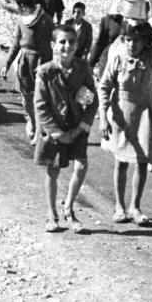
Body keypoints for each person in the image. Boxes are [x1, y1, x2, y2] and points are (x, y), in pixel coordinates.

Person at [98, 2, 152, 226]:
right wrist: (103, 116)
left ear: (145, 41)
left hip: (146, 112)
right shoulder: (117, 54)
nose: (131, 44)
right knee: (121, 161)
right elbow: (104, 86)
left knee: (140, 161)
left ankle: (136, 206)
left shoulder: (151, 55)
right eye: (128, 39)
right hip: (122, 111)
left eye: (136, 40)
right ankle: (119, 206)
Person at [34, 25, 97, 233]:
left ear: (77, 44)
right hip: (55, 130)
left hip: (77, 126)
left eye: (71, 41)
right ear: (53, 45)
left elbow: (93, 100)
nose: (67, 46)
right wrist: (57, 133)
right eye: (62, 42)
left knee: (81, 166)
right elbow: (41, 106)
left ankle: (69, 209)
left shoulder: (83, 67)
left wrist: (82, 127)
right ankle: (51, 214)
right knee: (53, 170)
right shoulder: (45, 72)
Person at [3, 0, 55, 140]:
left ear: (23, 6)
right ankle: (31, 121)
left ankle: (40, 129)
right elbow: (16, 43)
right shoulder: (21, 20)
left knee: (40, 98)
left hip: (41, 63)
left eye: (18, 5)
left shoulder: (46, 20)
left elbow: (54, 44)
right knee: (26, 96)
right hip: (25, 63)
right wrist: (7, 63)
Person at [89, 0, 140, 71]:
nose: (130, 0)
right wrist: (91, 63)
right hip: (108, 64)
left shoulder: (141, 21)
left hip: (130, 68)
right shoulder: (109, 19)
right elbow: (100, 43)